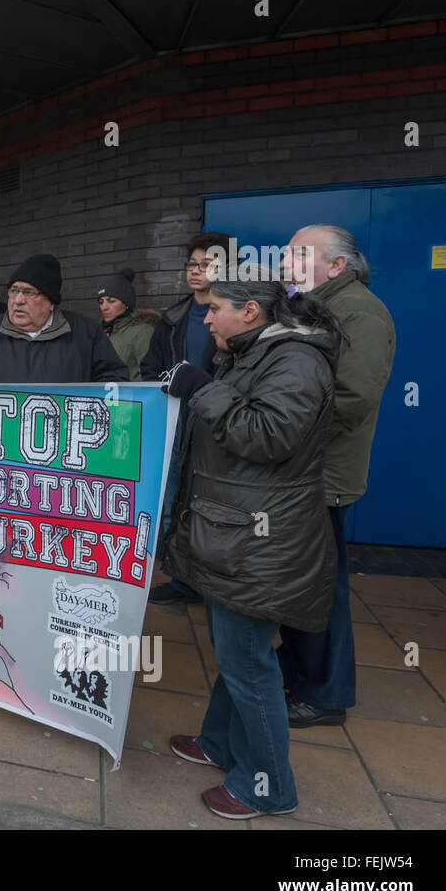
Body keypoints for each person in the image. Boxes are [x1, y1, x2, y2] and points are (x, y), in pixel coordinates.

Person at [163, 270, 344, 819]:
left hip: (261, 539)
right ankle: (220, 743)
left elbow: (269, 436)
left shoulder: (297, 361)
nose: (207, 317)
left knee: (249, 664)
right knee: (237, 652)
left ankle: (267, 786)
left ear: (250, 312)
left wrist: (203, 389)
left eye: (215, 307)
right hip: (236, 533)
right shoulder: (251, 355)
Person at [276, 224, 396, 728]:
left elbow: (351, 401)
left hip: (322, 475)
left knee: (321, 585)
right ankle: (301, 669)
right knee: (297, 582)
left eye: (298, 253)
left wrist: (274, 428)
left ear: (337, 265)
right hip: (298, 471)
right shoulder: (311, 306)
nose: (285, 261)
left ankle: (326, 694)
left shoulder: (361, 313)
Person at [142, 231, 230, 606]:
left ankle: (209, 582)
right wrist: (170, 385)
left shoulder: (238, 315)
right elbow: (149, 369)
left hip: (218, 426)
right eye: (192, 264)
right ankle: (181, 580)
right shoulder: (172, 318)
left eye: (207, 264)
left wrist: (205, 387)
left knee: (211, 502)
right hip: (178, 426)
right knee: (175, 498)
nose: (196, 271)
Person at [0, 254, 129, 384]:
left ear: (51, 302)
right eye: (14, 291)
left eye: (29, 292)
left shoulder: (86, 331)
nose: (18, 300)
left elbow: (113, 378)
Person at [98, 268, 159, 381]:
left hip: (130, 397)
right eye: (101, 302)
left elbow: (149, 374)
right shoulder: (98, 332)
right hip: (101, 396)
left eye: (111, 301)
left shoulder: (142, 331)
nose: (104, 307)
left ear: (126, 304)